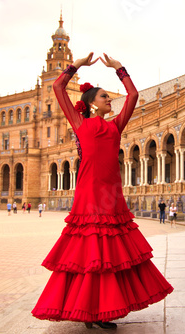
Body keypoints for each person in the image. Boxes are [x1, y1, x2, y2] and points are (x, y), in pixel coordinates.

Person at [31, 53, 173, 330]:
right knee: (88, 252)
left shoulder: (115, 126)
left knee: (109, 254)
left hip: (112, 195)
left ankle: (102, 310)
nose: (110, 100)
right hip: (88, 194)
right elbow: (58, 88)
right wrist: (76, 67)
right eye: (105, 97)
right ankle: (88, 311)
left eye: (109, 97)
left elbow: (132, 96)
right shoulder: (79, 123)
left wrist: (120, 69)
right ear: (91, 104)